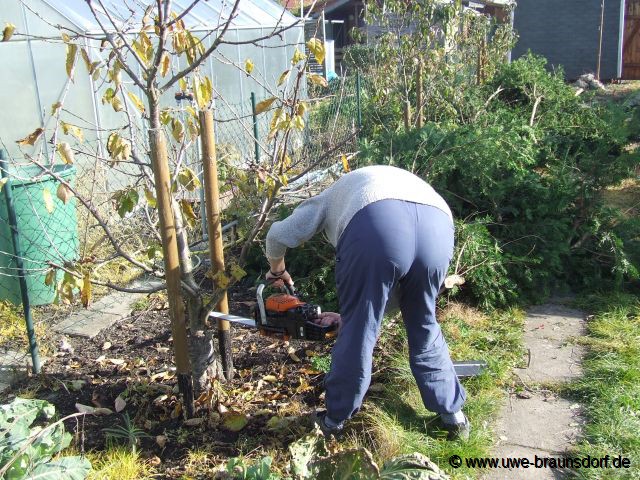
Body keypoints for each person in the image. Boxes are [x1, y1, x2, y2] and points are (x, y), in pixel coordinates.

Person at [264, 165, 469, 440]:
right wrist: (349, 317)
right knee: (423, 320)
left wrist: (277, 270)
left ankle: (334, 420)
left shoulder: (327, 197)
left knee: (359, 333)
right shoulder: (376, 180)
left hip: (375, 222)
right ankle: (453, 416)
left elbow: (277, 236)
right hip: (438, 225)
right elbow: (397, 298)